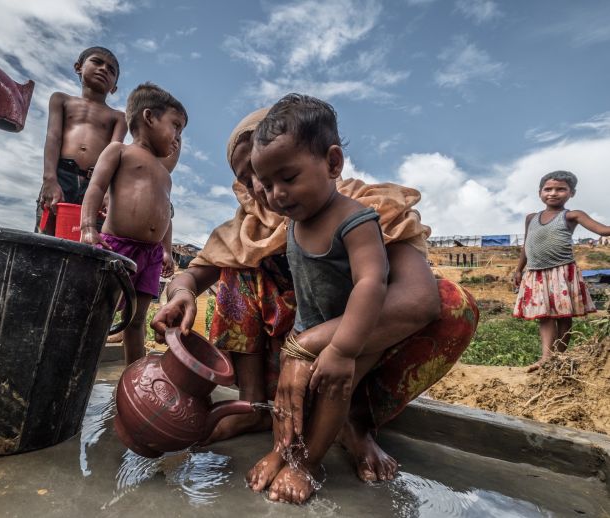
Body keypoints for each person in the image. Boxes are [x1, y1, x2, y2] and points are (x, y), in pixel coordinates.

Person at [151, 104, 477, 499]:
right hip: (282, 371)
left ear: (326, 161)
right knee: (237, 267)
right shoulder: (246, 228)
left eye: (278, 173)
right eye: (249, 177)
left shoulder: (361, 209)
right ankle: (256, 407)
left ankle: (354, 421)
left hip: (346, 354)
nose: (263, 189)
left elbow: (418, 299)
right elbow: (191, 273)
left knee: (451, 301)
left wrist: (306, 347)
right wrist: (182, 294)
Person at [80, 82, 186, 364]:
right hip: (117, 247)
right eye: (175, 126)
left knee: (136, 321)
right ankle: (80, 371)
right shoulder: (119, 151)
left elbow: (166, 214)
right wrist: (88, 227)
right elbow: (95, 188)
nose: (177, 137)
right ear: (149, 117)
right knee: (100, 314)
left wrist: (165, 249)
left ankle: (133, 379)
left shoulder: (165, 174)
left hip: (150, 255)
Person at [513, 171, 610, 372]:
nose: (553, 193)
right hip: (536, 273)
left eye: (561, 189)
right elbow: (527, 244)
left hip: (562, 272)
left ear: (571, 193)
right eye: (548, 189)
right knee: (544, 316)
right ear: (540, 192)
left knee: (564, 317)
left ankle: (559, 357)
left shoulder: (572, 215)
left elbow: (602, 231)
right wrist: (518, 269)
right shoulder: (531, 218)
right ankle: (546, 358)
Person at [36, 46, 127, 235]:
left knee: (88, 237)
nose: (104, 69)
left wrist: (107, 194)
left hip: (95, 184)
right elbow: (53, 138)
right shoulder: (61, 100)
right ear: (78, 67)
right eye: (97, 62)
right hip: (61, 175)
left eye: (111, 70)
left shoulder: (118, 117)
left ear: (114, 88)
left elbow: (114, 157)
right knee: (48, 235)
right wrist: (50, 178)